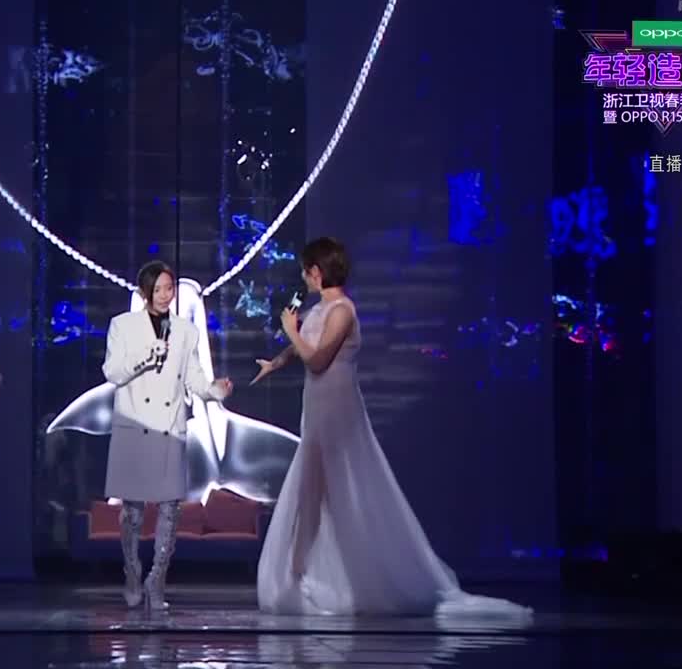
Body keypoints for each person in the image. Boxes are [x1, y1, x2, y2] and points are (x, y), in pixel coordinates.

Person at [252, 237, 531, 618]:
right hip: (315, 412)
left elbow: (318, 360)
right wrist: (276, 361)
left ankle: (355, 578)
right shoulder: (319, 309)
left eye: (305, 270)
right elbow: (304, 348)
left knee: (340, 495)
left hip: (337, 414)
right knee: (310, 496)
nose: (303, 276)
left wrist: (291, 331)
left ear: (316, 271)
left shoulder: (342, 311)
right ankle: (298, 575)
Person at [102, 261, 234, 612]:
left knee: (170, 508)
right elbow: (113, 372)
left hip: (169, 427)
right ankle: (132, 573)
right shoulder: (122, 326)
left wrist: (214, 391)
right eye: (158, 289)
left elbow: (193, 378)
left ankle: (157, 579)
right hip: (134, 425)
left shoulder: (186, 332)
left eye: (169, 288)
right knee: (132, 511)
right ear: (145, 292)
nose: (165, 295)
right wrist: (147, 356)